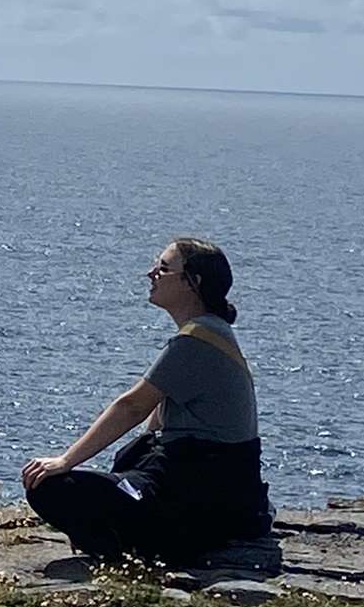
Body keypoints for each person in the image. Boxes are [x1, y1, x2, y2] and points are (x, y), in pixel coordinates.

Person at [20, 238, 272, 564]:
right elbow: (157, 418)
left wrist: (66, 460)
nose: (151, 273)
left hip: (196, 495)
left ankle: (135, 549)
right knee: (129, 461)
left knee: (51, 486)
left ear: (192, 282)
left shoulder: (196, 341)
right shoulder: (212, 331)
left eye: (164, 268)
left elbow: (132, 407)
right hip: (214, 490)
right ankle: (136, 538)